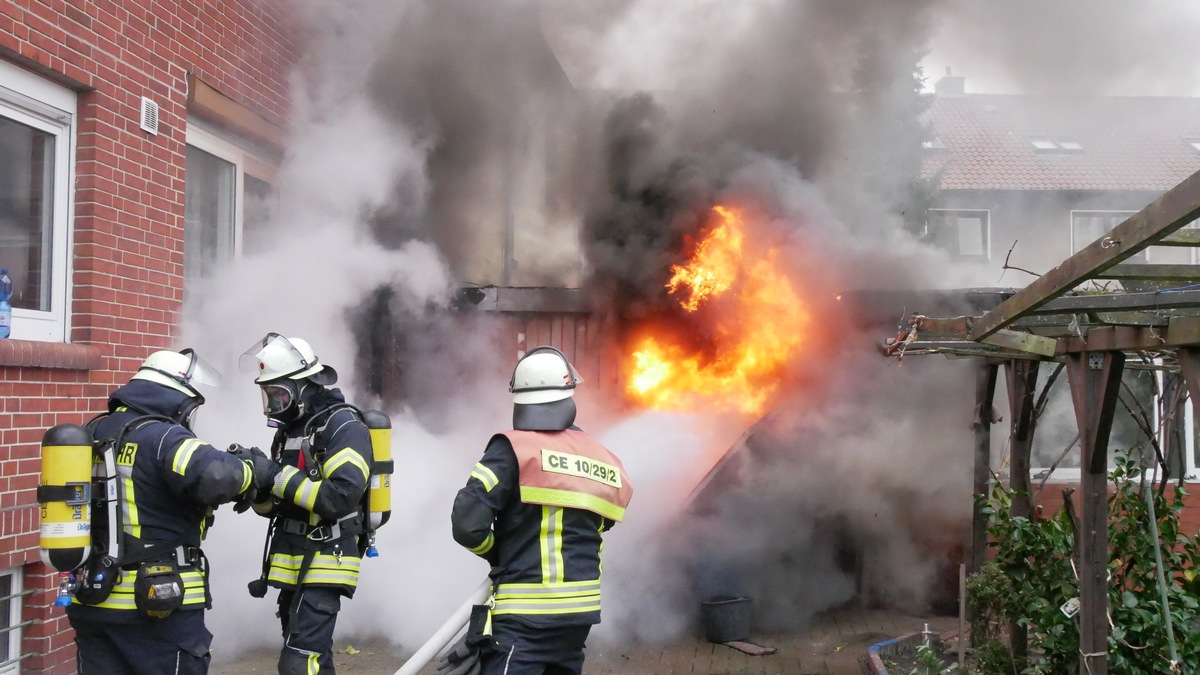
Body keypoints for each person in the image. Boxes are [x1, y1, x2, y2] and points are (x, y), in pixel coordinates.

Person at [67, 348, 279, 675]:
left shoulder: (94, 433)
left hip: (93, 602)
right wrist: (253, 470)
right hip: (154, 609)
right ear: (177, 399)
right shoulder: (164, 436)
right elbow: (214, 475)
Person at [449, 346, 634, 675]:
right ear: (568, 393)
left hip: (524, 615)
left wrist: (499, 553)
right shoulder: (601, 454)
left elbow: (467, 524)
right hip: (581, 613)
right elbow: (604, 521)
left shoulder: (512, 449)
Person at [239, 333, 373, 675]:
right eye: (268, 395)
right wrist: (255, 489)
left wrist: (275, 476)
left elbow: (340, 496)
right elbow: (277, 507)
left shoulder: (343, 426)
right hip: (292, 560)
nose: (272, 404)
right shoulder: (288, 433)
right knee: (313, 658)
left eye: (279, 394)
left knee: (299, 663)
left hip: (327, 557)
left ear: (305, 386)